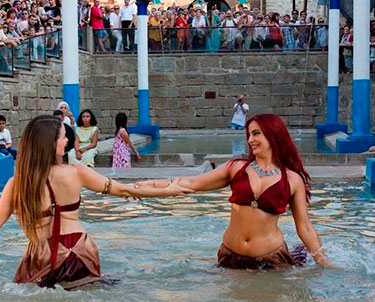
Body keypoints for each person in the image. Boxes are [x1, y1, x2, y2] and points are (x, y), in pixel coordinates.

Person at [0, 115, 191, 288]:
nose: (67, 141)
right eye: (62, 137)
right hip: (81, 249)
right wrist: (167, 191)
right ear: (49, 143)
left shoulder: (18, 184)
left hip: (44, 254)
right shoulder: (76, 171)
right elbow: (122, 190)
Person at [136, 114, 330, 269]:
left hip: (271, 260)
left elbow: (304, 227)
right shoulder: (236, 168)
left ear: (273, 134)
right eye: (249, 134)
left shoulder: (292, 180)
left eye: (256, 133)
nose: (250, 139)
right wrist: (150, 185)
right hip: (230, 257)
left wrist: (324, 264)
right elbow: (189, 183)